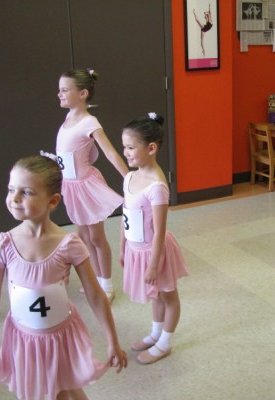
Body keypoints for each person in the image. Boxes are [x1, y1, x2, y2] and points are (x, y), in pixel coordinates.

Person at [0, 155, 128, 400]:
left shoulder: (69, 244)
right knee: (41, 391)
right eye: (11, 189)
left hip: (61, 336)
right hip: (24, 340)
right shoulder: (4, 244)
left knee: (65, 387)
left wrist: (113, 341)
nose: (14, 198)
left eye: (26, 192)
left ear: (53, 201)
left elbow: (96, 296)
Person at [120, 113, 189, 365]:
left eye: (130, 147)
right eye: (124, 147)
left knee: (168, 295)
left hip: (154, 251)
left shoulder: (157, 186)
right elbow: (125, 215)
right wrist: (122, 247)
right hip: (136, 248)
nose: (126, 153)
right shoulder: (130, 177)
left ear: (151, 148)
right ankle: (155, 333)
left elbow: (159, 231)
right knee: (156, 295)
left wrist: (152, 263)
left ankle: (165, 343)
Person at [56, 69, 129, 303]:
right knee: (82, 236)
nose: (59, 94)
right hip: (71, 187)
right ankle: (96, 280)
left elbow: (109, 153)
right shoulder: (68, 118)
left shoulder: (90, 122)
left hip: (87, 187)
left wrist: (129, 179)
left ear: (83, 93)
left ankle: (107, 285)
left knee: (96, 238)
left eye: (65, 90)